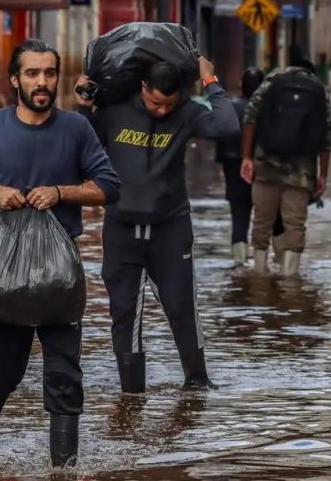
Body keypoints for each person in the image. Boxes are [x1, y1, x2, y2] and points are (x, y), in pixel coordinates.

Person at [0, 39, 122, 467]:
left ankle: (64, 468)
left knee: (64, 375)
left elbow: (108, 186)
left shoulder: (76, 128)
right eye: (33, 74)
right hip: (3, 276)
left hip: (59, 274)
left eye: (50, 74)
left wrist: (61, 192)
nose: (42, 82)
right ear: (15, 80)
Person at [75, 57, 238, 394]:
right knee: (125, 313)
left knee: (182, 308)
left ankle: (197, 384)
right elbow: (78, 143)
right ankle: (131, 395)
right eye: (155, 102)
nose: (162, 110)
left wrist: (211, 81)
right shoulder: (114, 111)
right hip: (121, 227)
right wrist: (84, 105)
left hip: (170, 227)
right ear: (142, 87)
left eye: (169, 103)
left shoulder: (188, 113)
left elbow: (227, 127)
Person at [240, 60, 331, 276]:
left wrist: (246, 157)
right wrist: (323, 174)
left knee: (262, 221)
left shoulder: (272, 80)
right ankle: (290, 280)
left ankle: (259, 275)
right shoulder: (318, 88)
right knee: (295, 224)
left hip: (266, 165)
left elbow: (249, 117)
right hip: (302, 170)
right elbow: (326, 135)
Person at [216, 67, 265, 265]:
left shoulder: (230, 107)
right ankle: (268, 265)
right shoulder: (267, 108)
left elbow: (220, 136)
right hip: (263, 167)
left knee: (239, 216)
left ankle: (239, 263)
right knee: (269, 218)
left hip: (233, 167)